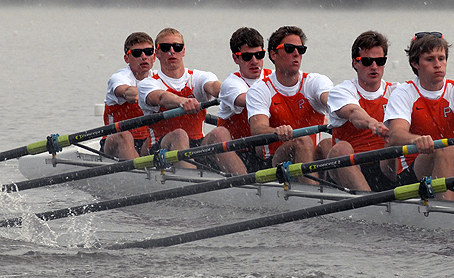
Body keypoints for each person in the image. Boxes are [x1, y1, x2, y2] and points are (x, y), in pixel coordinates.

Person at [137, 27, 245, 174]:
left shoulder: (198, 77)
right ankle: (188, 182)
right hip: (160, 148)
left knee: (220, 132)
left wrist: (232, 94)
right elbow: (161, 97)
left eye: (177, 47)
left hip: (196, 146)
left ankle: (246, 184)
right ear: (157, 53)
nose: (171, 51)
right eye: (165, 47)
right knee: (180, 134)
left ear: (183, 51)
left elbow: (215, 87)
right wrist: (181, 101)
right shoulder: (148, 83)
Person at [385, 32, 454, 200]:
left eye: (441, 58)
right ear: (415, 63)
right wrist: (416, 140)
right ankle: (448, 213)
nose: (438, 65)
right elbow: (396, 134)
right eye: (430, 59)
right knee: (443, 148)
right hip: (414, 172)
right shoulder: (404, 93)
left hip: (452, 166)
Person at [246, 25, 333, 179]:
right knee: (303, 141)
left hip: (310, 158)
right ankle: (310, 193)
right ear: (273, 54)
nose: (296, 54)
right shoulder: (260, 89)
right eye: (289, 48)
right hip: (275, 162)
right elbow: (258, 128)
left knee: (329, 144)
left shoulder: (315, 82)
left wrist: (340, 110)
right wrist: (276, 131)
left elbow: (330, 101)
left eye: (300, 50)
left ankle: (335, 191)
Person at [327, 31, 397, 191]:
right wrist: (372, 123)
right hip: (350, 167)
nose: (374, 66)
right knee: (341, 149)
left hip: (385, 167)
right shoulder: (342, 92)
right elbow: (354, 113)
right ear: (355, 63)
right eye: (367, 61)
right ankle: (368, 204)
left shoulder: (396, 92)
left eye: (380, 61)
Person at [217, 27, 273, 172]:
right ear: (236, 58)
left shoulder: (274, 77)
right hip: (239, 153)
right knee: (219, 134)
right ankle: (244, 184)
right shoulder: (232, 84)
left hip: (267, 151)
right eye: (247, 57)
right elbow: (249, 100)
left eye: (259, 55)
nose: (255, 62)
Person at [102, 31, 156, 160]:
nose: (143, 57)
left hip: (145, 142)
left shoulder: (158, 79)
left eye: (148, 52)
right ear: (127, 58)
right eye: (137, 53)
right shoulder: (119, 78)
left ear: (154, 57)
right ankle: (138, 174)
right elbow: (127, 92)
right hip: (114, 142)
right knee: (125, 136)